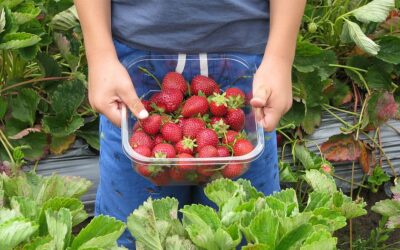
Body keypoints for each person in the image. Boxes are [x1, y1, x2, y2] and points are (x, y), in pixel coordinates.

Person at [74, 0, 306, 248]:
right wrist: (100, 55)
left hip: (247, 64)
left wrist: (280, 57)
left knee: (248, 231)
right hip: (134, 65)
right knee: (133, 232)